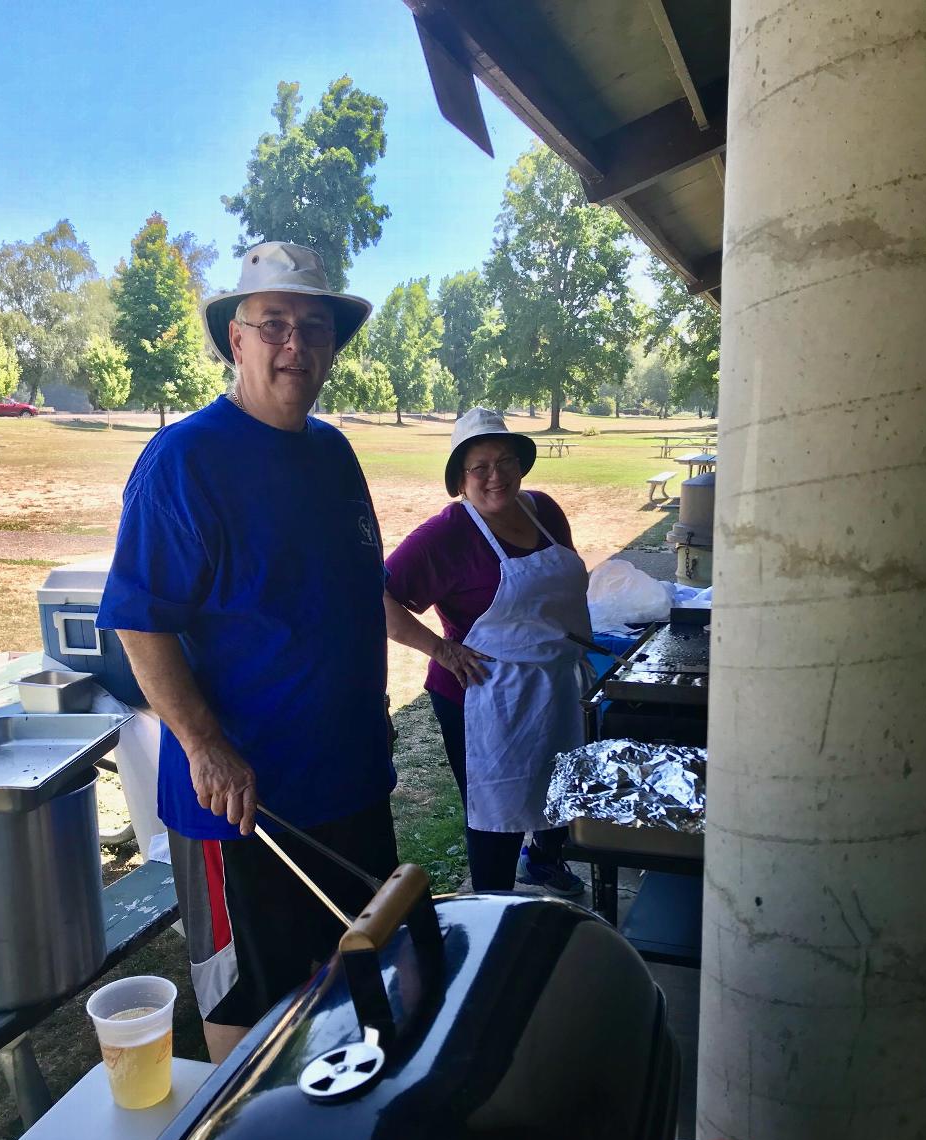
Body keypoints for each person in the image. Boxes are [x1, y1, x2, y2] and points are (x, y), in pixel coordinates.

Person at [97, 242, 396, 1064]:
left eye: (314, 326)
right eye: (274, 324)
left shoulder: (333, 453)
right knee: (250, 1032)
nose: (295, 343)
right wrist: (205, 745)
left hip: (351, 790)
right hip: (244, 815)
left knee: (357, 999)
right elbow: (138, 619)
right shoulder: (185, 462)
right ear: (238, 339)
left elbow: (346, 594)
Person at [384, 407, 591, 896]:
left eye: (506, 461)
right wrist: (442, 650)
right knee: (496, 811)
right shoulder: (447, 535)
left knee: (557, 788)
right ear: (460, 479)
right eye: (480, 467)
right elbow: (376, 598)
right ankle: (492, 905)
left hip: (553, 684)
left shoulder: (545, 511)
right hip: (482, 696)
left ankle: (542, 860)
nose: (496, 476)